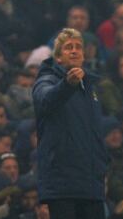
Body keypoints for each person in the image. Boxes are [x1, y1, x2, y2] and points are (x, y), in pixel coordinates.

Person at [32, 28, 108, 219]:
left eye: (78, 47)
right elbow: (46, 101)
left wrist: (102, 168)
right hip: (63, 185)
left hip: (90, 184)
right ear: (58, 57)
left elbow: (95, 135)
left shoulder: (91, 88)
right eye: (68, 48)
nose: (74, 51)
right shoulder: (46, 80)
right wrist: (67, 85)